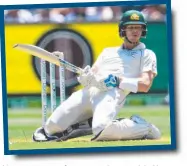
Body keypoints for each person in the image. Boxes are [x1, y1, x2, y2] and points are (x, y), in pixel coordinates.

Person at [33, 10, 161, 142]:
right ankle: (85, 124)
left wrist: (117, 80)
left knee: (101, 129)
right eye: (131, 27)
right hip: (89, 92)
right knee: (51, 127)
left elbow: (145, 85)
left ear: (143, 30)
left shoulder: (147, 54)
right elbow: (93, 73)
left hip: (112, 93)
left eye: (138, 27)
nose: (135, 31)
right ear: (122, 30)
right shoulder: (108, 52)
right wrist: (86, 78)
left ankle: (144, 127)